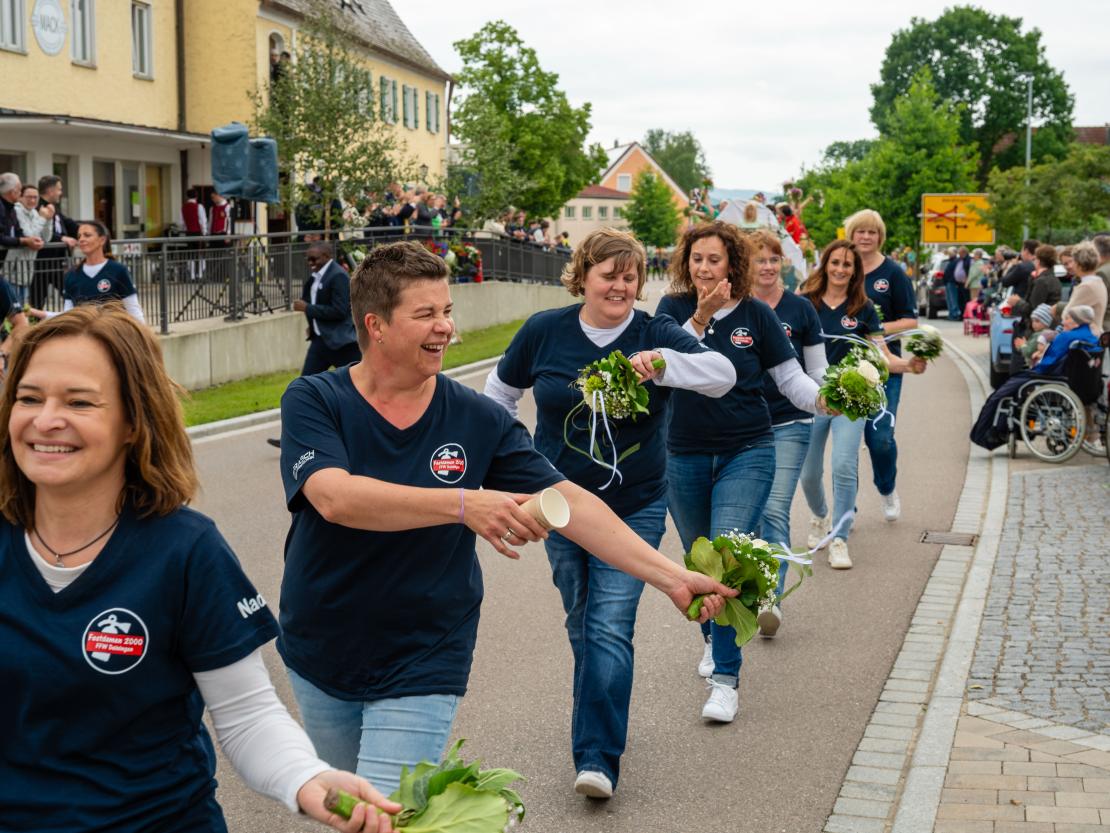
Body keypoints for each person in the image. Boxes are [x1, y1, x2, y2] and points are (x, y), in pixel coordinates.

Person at [275, 241, 733, 796]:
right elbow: (334, 498)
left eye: (447, 311)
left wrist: (672, 577)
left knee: (389, 809)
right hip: (322, 644)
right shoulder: (314, 398)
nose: (445, 327)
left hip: (427, 650)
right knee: (350, 807)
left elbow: (575, 503)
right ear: (375, 325)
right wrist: (466, 504)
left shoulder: (477, 418)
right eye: (426, 314)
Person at [0, 304, 401, 833]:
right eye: (29, 398)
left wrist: (305, 778)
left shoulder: (185, 550)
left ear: (132, 422)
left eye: (79, 402)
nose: (46, 419)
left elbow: (246, 715)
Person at [483, 228, 736, 799]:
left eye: (630, 276)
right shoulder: (545, 331)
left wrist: (663, 364)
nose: (620, 286)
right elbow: (494, 396)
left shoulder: (654, 331)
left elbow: (723, 376)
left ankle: (597, 756)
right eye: (609, 275)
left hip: (635, 508)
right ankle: (601, 708)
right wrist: (510, 465)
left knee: (608, 624)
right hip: (557, 506)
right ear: (584, 277)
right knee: (581, 620)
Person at [655, 221, 825, 723]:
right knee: (697, 559)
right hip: (681, 452)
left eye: (714, 259)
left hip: (747, 448)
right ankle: (712, 635)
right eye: (697, 259)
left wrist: (823, 401)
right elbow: (667, 356)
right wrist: (703, 316)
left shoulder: (757, 315)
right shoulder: (671, 309)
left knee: (726, 560)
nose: (704, 268)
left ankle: (726, 680)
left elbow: (790, 378)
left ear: (733, 264)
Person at [797, 240, 925, 570]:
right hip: (810, 397)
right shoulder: (803, 303)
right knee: (809, 473)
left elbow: (883, 356)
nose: (840, 269)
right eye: (835, 262)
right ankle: (821, 516)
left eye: (848, 265)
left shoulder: (864, 308)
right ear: (825, 265)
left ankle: (840, 536)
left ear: (855, 272)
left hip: (850, 400)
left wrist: (909, 365)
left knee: (842, 464)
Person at [747, 230, 827, 637]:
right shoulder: (736, 307)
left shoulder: (801, 310)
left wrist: (827, 396)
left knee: (775, 508)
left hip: (790, 422)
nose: (767, 266)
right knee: (752, 514)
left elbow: (816, 370)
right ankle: (754, 582)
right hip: (741, 426)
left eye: (774, 259)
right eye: (759, 259)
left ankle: (769, 599)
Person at [845, 209, 919, 523]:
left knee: (880, 437)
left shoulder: (894, 273)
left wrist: (873, 328)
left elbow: (911, 320)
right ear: (850, 234)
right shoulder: (840, 267)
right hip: (844, 365)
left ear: (880, 237)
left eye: (871, 232)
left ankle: (887, 488)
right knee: (845, 443)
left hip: (884, 364)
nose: (865, 237)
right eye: (860, 231)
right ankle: (846, 505)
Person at [266, 243, 360, 449]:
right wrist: (313, 325)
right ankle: (292, 438)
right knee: (302, 389)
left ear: (327, 256)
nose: (310, 263)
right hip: (321, 343)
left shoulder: (339, 276)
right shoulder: (315, 277)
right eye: (308, 259)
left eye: (314, 259)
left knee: (360, 389)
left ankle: (365, 431)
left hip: (342, 343)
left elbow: (339, 311)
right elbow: (313, 307)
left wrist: (308, 308)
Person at [28, 220, 145, 324]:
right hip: (85, 339)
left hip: (113, 337)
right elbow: (69, 315)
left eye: (87, 235)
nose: (81, 239)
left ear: (102, 240)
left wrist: (145, 341)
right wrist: (38, 313)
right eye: (79, 236)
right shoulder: (71, 275)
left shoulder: (118, 270)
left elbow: (133, 310)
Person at [33, 174, 79, 309]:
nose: (61, 192)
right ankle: (34, 325)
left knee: (69, 292)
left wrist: (85, 232)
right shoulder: (38, 207)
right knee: (38, 298)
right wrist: (62, 238)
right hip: (42, 261)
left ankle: (76, 318)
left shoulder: (54, 207)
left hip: (56, 260)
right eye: (59, 189)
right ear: (51, 190)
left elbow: (67, 223)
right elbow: (41, 232)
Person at [7, 184, 53, 301]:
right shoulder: (16, 211)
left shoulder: (34, 213)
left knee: (22, 308)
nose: (32, 200)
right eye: (29, 197)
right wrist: (42, 218)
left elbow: (46, 238)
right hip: (13, 269)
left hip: (27, 269)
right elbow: (30, 235)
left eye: (35, 197)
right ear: (20, 197)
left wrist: (48, 220)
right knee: (12, 309)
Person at [1063, 241, 1107, 337]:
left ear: (1079, 264)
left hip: (1085, 341)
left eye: (1073, 261)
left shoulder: (1087, 287)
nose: (1072, 265)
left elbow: (1066, 315)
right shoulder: (1097, 282)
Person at [1, 172, 45, 267]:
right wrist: (25, 241)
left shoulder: (11, 209)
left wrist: (29, 240)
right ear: (13, 192)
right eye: (20, 190)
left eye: (35, 197)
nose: (21, 193)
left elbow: (19, 232)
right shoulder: (7, 208)